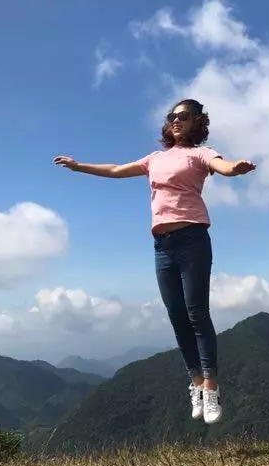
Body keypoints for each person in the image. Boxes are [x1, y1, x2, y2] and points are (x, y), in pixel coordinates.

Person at [53, 99, 256, 424]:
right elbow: (117, 170)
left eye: (183, 116)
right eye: (172, 116)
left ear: (197, 121)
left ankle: (211, 388)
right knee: (177, 317)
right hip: (162, 246)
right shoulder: (155, 158)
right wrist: (79, 167)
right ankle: (196, 384)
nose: (175, 120)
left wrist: (237, 168)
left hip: (192, 240)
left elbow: (223, 166)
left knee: (197, 314)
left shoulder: (201, 154)